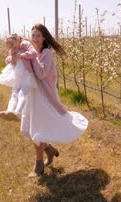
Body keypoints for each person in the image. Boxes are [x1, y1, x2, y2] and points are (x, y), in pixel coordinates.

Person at [17, 23, 88, 177]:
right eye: (33, 35)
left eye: (38, 36)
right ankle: (49, 150)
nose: (34, 38)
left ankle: (39, 165)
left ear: (44, 38)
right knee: (32, 128)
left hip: (44, 97)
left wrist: (33, 57)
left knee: (38, 129)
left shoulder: (46, 53)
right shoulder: (30, 52)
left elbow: (41, 74)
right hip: (33, 95)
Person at [0, 33, 38, 121]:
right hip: (17, 74)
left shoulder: (24, 44)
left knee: (22, 93)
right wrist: (9, 59)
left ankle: (17, 112)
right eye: (9, 46)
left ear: (17, 39)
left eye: (12, 44)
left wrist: (20, 56)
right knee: (14, 93)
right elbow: (12, 61)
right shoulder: (12, 50)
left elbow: (34, 53)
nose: (12, 48)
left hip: (27, 74)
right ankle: (9, 111)